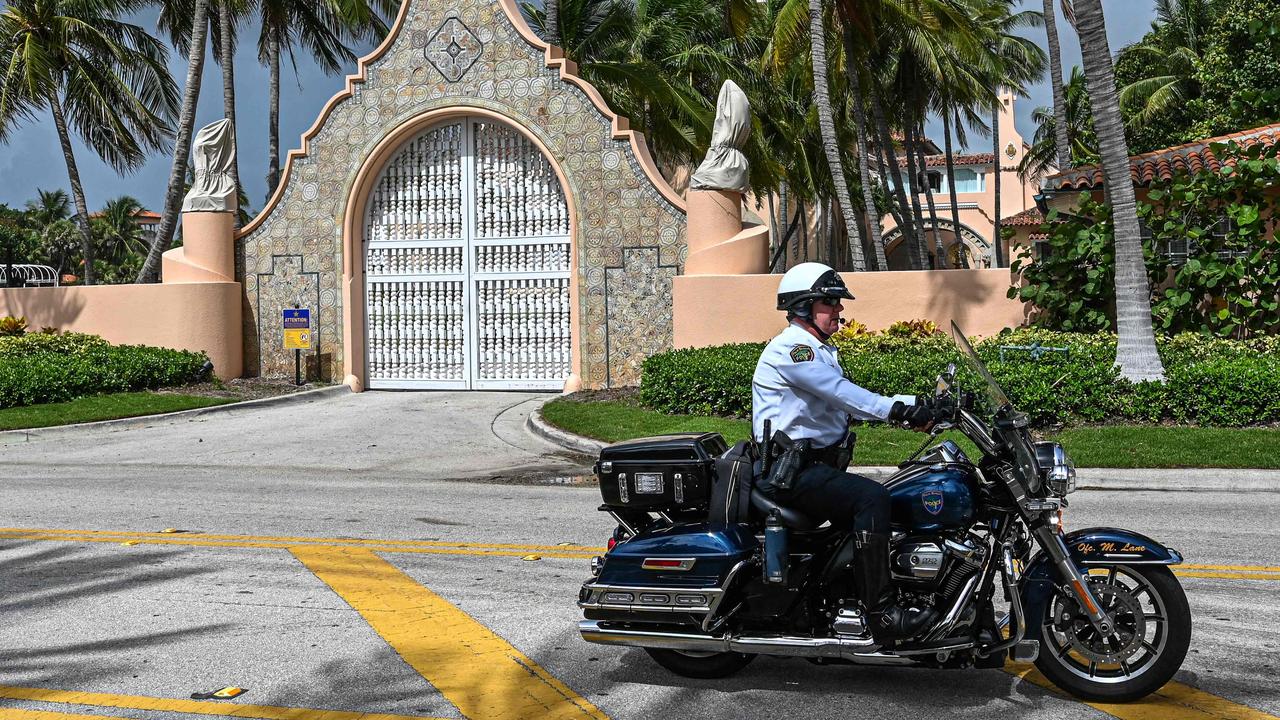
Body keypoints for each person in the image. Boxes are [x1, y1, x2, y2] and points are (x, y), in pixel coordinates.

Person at [751, 262, 940, 642]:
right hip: (792, 475)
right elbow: (843, 394)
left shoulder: (817, 349)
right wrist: (899, 411)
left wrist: (922, 404)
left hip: (812, 469)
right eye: (829, 302)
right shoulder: (793, 351)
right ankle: (882, 613)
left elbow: (847, 397)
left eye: (837, 302)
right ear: (803, 306)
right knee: (871, 498)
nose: (838, 310)